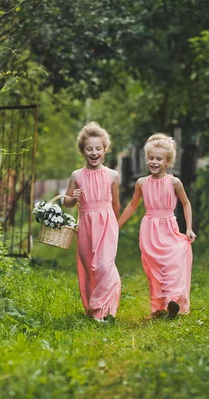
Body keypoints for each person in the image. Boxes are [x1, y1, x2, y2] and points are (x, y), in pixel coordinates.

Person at [118, 133, 196, 319]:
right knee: (155, 269)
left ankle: (171, 302)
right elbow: (132, 205)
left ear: (167, 162)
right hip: (149, 230)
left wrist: (189, 228)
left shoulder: (174, 182)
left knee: (173, 263)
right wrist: (117, 225)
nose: (154, 162)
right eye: (151, 158)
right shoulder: (141, 183)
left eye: (159, 159)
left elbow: (186, 203)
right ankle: (158, 308)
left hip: (169, 228)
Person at [63, 121, 121, 321]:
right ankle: (93, 308)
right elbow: (67, 203)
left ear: (105, 150)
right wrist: (74, 197)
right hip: (86, 225)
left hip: (107, 224)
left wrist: (116, 225)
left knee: (105, 265)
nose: (94, 152)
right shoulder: (77, 176)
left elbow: (116, 204)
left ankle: (103, 310)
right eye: (89, 149)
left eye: (98, 148)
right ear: (82, 151)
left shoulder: (113, 175)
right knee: (89, 268)